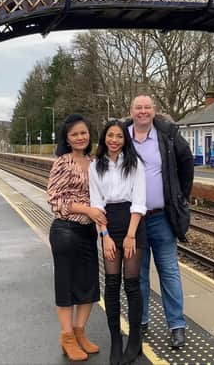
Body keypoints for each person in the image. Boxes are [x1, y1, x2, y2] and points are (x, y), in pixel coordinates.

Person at [127, 95, 194, 348]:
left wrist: (181, 197)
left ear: (154, 111)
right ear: (131, 111)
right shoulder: (122, 136)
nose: (143, 111)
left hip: (162, 217)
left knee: (169, 272)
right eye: (138, 108)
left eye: (147, 107)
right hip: (135, 221)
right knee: (138, 274)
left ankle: (177, 325)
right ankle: (141, 322)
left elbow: (187, 162)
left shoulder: (166, 135)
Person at [47, 114, 108, 361]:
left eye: (83, 133)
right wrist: (87, 210)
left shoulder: (95, 162)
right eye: (74, 134)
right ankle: (67, 336)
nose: (80, 137)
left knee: (89, 284)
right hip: (65, 230)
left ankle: (80, 332)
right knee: (66, 285)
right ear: (67, 139)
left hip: (87, 232)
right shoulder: (62, 163)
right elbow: (54, 199)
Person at [89, 120, 147, 365]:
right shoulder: (95, 167)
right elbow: (96, 204)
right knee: (112, 284)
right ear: (104, 139)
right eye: (110, 136)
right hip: (108, 224)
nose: (114, 140)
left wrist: (131, 235)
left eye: (119, 136)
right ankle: (115, 340)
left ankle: (135, 341)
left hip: (133, 224)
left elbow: (139, 201)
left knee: (132, 285)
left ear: (125, 140)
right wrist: (105, 236)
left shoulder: (135, 164)